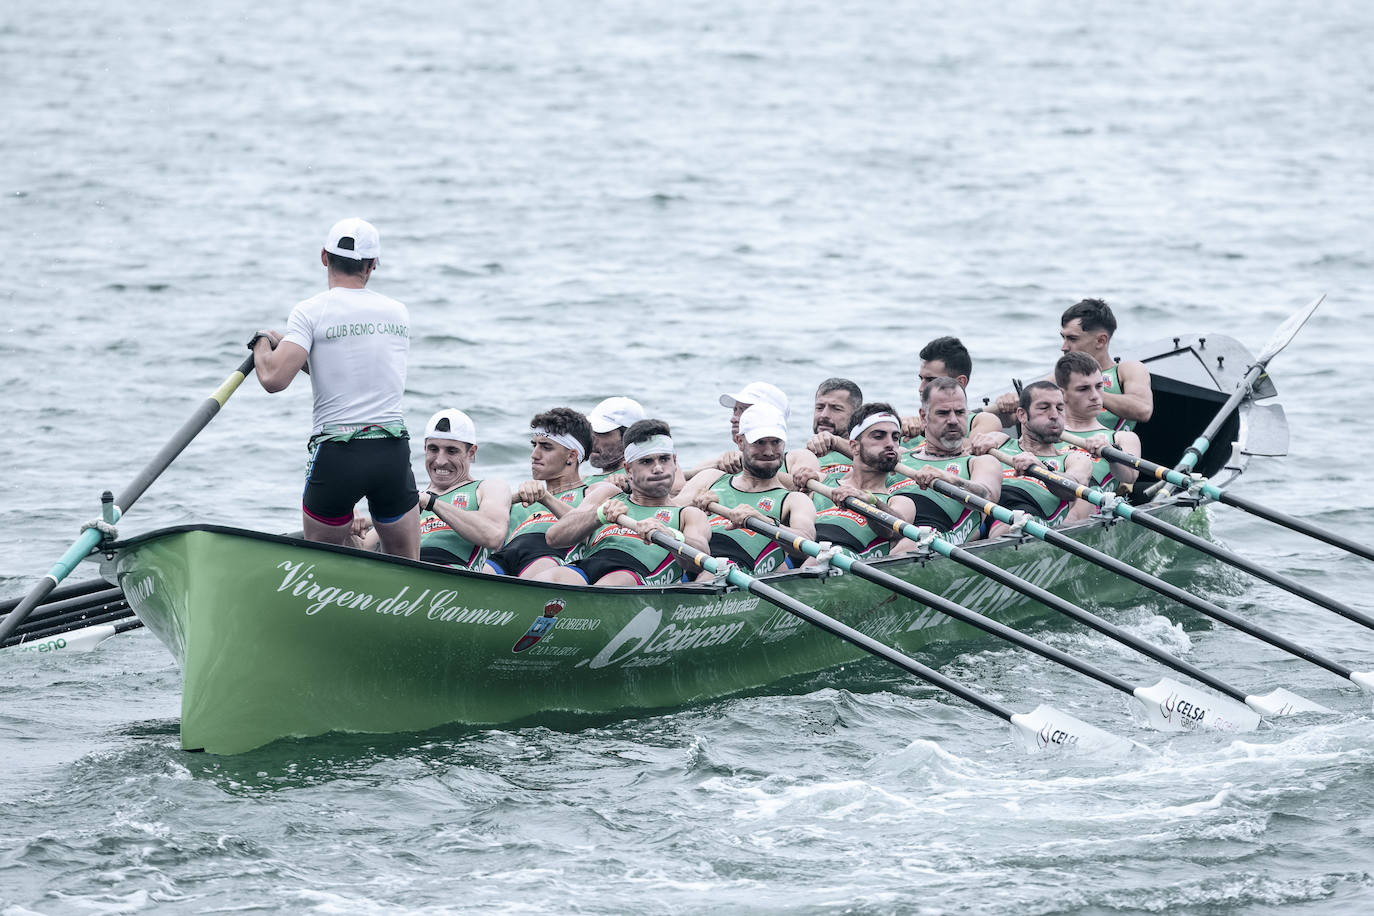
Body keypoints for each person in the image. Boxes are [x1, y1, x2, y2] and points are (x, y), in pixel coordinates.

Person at [250, 217, 418, 559]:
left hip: (339, 455)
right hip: (391, 452)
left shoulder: (309, 312)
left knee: (323, 564)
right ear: (372, 265)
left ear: (325, 257)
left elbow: (273, 379)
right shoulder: (397, 312)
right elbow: (349, 371)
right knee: (407, 563)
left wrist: (262, 343)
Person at [538, 420, 710, 586]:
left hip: (635, 576)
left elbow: (701, 561)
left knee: (618, 579)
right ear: (628, 470)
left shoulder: (688, 514)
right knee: (551, 577)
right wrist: (599, 516)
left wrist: (672, 536)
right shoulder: (607, 494)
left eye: (664, 459)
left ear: (674, 463)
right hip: (586, 566)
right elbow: (554, 537)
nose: (658, 468)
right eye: (646, 461)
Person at [681, 404, 816, 574]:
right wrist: (692, 508)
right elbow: (667, 508)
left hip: (733, 569)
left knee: (718, 570)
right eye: (759, 443)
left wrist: (764, 521)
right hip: (690, 560)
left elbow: (807, 544)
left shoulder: (794, 499)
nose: (769, 451)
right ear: (740, 441)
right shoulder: (711, 479)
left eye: (776, 442)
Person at [375, 409, 511, 569]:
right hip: (409, 569)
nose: (440, 461)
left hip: (453, 573)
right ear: (424, 448)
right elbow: (364, 547)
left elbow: (493, 536)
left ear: (471, 453)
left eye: (452, 451)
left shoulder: (488, 487)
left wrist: (432, 502)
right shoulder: (412, 499)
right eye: (433, 449)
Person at [991, 298, 1153, 432]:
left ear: (1101, 340)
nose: (1064, 347)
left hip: (1106, 460)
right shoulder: (1061, 377)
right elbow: (1011, 419)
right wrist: (1007, 403)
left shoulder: (1127, 370)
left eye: (1072, 339)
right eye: (1063, 338)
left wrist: (1083, 391)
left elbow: (1142, 410)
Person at [887, 377, 1003, 544]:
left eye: (960, 412)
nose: (953, 420)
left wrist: (947, 478)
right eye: (943, 413)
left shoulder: (980, 462)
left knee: (909, 543)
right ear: (923, 416)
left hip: (930, 538)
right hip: (883, 530)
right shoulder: (900, 457)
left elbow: (987, 497)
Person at [485, 408, 593, 579]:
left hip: (549, 560)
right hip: (502, 558)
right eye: (534, 445)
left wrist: (545, 498)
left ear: (571, 456)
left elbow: (587, 532)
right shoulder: (519, 503)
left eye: (546, 447)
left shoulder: (591, 493)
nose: (534, 455)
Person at [982, 381, 1094, 538]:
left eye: (1060, 408)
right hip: (979, 507)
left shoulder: (1074, 459)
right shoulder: (998, 442)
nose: (1054, 415)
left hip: (1023, 517)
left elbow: (1073, 489)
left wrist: (1040, 469)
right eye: (1044, 408)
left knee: (1014, 516)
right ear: (1022, 415)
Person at [810, 403, 921, 558]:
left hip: (841, 562)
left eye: (895, 437)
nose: (890, 444)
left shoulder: (899, 502)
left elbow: (892, 530)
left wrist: (871, 501)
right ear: (854, 446)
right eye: (878, 436)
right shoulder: (819, 483)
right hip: (799, 559)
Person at [1056, 351, 1142, 492]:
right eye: (1084, 389)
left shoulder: (1121, 438)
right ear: (1063, 394)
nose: (1095, 396)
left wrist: (1110, 452)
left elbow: (1130, 476)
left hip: (1086, 500)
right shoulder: (1047, 431)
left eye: (1099, 386)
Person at [899, 336, 1001, 447]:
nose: (921, 388)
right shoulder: (908, 426)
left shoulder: (984, 421)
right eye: (921, 379)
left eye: (931, 380)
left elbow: (973, 448)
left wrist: (927, 431)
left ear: (960, 382)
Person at [801, 378, 863, 476]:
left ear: (856, 415)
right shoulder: (797, 458)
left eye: (836, 409)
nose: (824, 415)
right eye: (819, 407)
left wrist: (835, 442)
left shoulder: (873, 454)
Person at [584, 396, 647, 487]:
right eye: (591, 430)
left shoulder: (640, 481)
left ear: (631, 438)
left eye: (602, 433)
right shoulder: (585, 479)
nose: (592, 438)